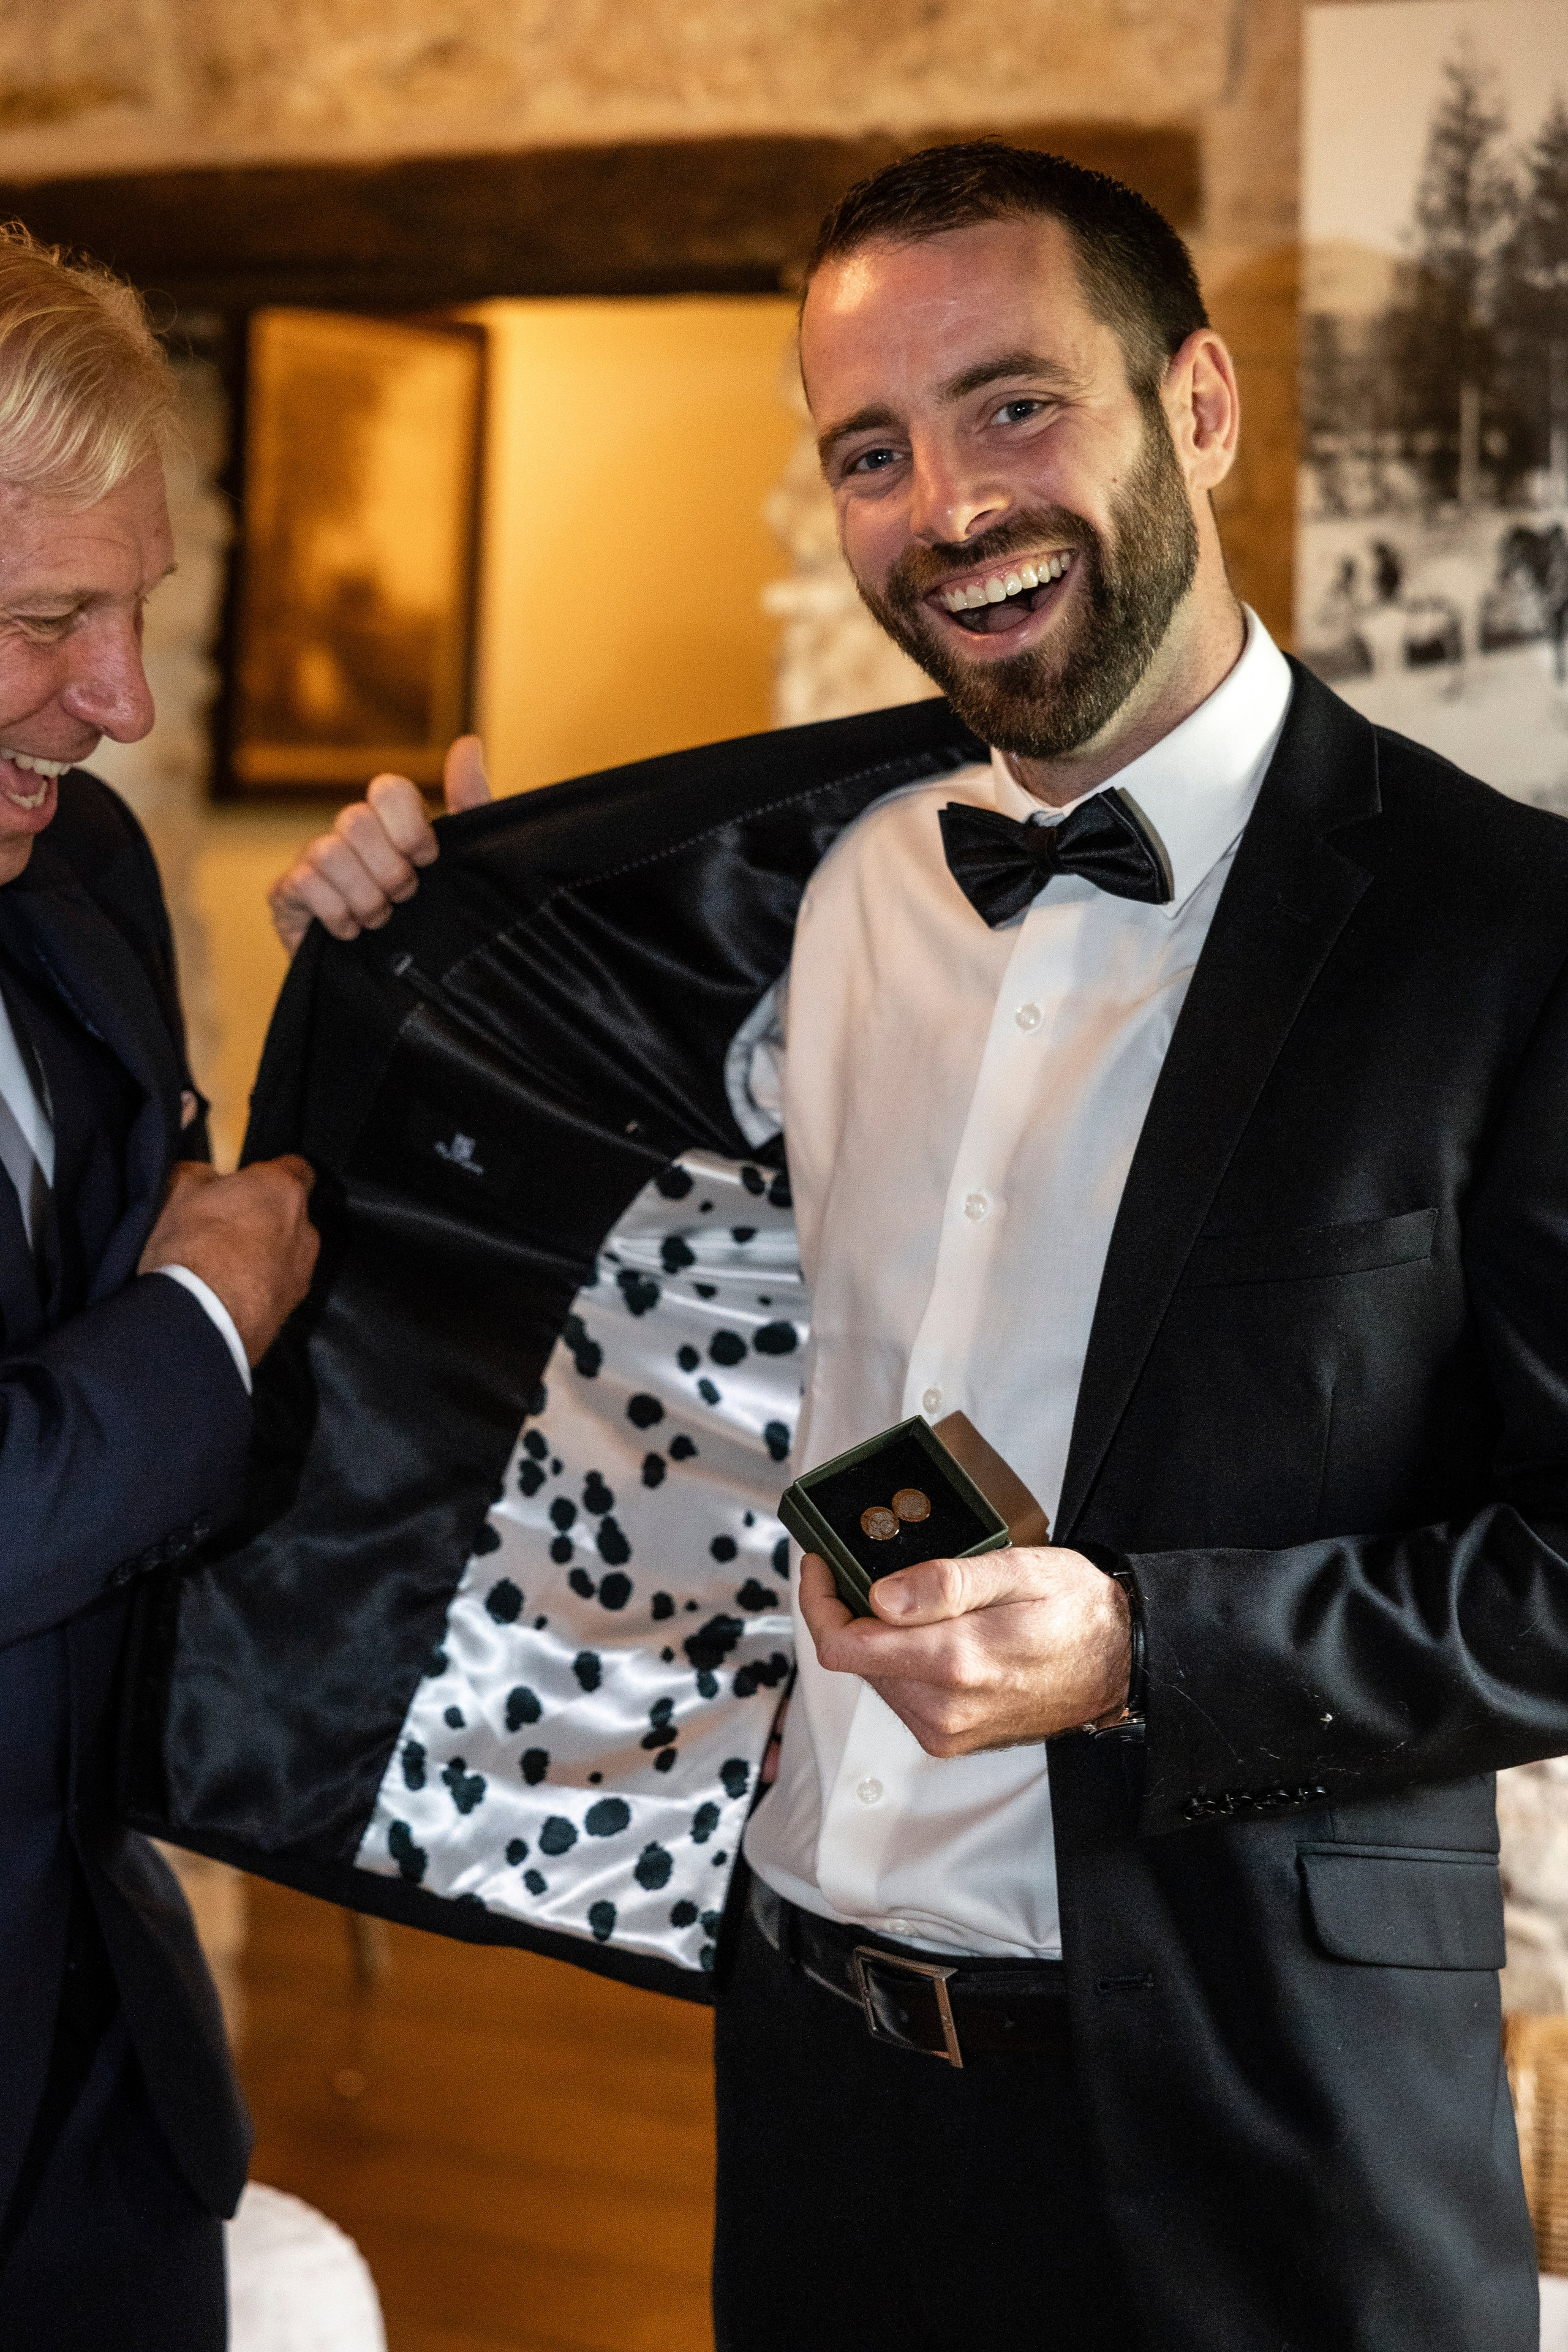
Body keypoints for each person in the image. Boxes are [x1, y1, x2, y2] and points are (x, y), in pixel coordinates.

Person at [246, 141, 1561, 2348]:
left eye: (1014, 405)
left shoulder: (1509, 937)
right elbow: (561, 1231)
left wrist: (1146, 1651)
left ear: (1200, 408)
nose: (945, 503)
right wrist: (420, 928)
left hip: (1264, 2125)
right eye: (872, 448)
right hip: (817, 2071)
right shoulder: (819, 891)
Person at [0, 227, 319, 2349]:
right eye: (48, 619)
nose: (118, 700)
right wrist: (194, 1326)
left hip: (91, 2071)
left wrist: (438, 965)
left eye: (137, 613)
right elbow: (187, 1324)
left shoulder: (80, 860)